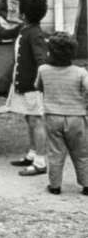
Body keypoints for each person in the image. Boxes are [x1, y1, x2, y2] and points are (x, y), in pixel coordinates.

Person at [0, 0, 49, 176]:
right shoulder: (24, 29)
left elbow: (42, 61)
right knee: (29, 118)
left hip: (33, 87)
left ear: (23, 14)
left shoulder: (35, 34)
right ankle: (32, 154)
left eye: (18, 9)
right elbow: (6, 33)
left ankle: (40, 162)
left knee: (36, 120)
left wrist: (41, 84)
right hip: (23, 84)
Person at [35, 32, 88, 195]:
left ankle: (55, 185)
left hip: (52, 115)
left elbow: (38, 86)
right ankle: (86, 184)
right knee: (81, 153)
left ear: (50, 51)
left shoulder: (43, 70)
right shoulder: (80, 72)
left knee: (55, 152)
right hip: (76, 117)